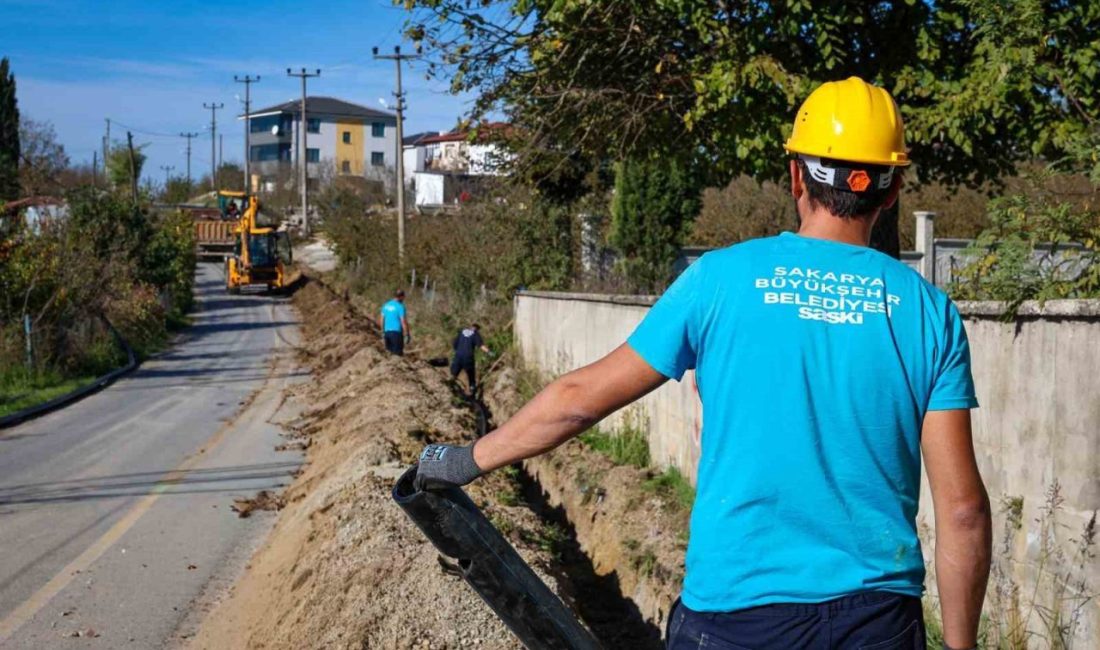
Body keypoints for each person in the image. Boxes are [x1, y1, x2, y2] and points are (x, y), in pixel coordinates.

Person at [414, 77, 991, 650]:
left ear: (795, 176)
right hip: (878, 622)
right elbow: (962, 511)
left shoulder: (720, 279)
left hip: (738, 616)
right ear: (891, 192)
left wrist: (466, 459)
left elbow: (579, 399)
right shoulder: (928, 312)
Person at [451, 323, 491, 394]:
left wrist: (458, 351)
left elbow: (454, 344)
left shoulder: (462, 332)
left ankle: (450, 387)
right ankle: (472, 390)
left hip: (458, 356)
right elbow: (481, 346)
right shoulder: (475, 334)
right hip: (468, 358)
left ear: (471, 327)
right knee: (471, 374)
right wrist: (489, 352)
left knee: (454, 374)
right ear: (477, 329)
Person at [379, 289, 409, 355]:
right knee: (397, 355)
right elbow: (403, 321)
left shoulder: (385, 305)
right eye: (403, 297)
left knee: (389, 354)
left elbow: (381, 320)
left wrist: (382, 331)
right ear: (401, 297)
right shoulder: (400, 307)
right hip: (396, 333)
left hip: (387, 333)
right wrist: (407, 334)